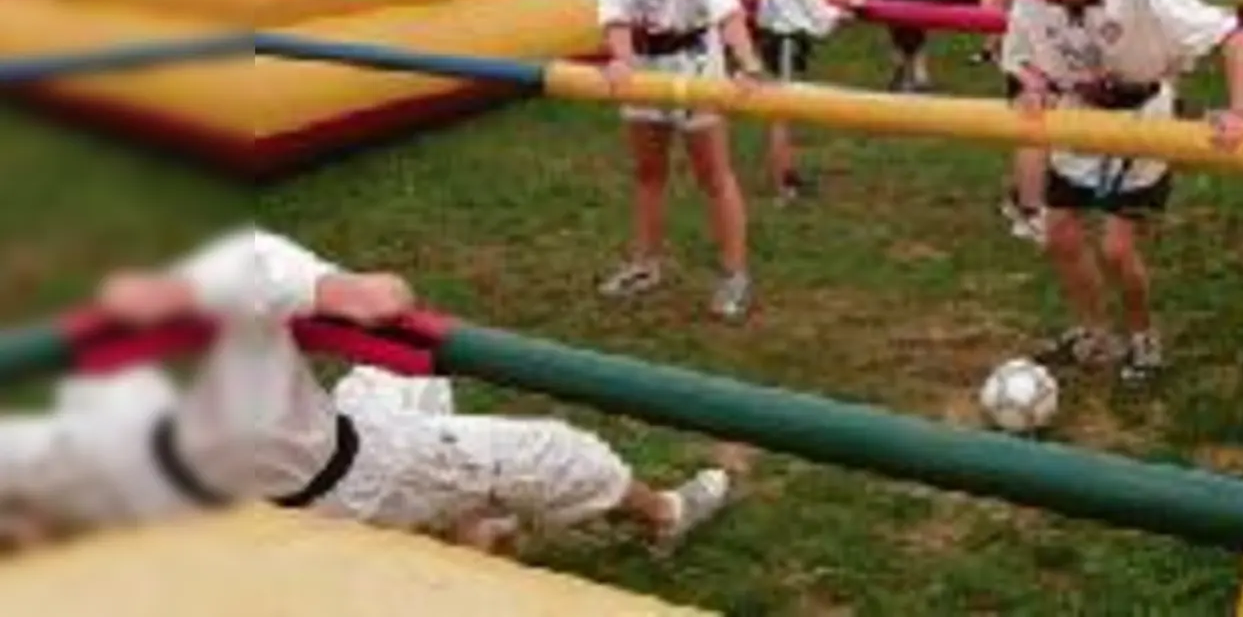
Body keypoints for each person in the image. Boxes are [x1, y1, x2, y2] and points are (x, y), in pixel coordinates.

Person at [0, 228, 735, 554]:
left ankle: (471, 526)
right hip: (348, 483)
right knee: (558, 452)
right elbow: (380, 297)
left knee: (398, 381)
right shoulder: (231, 261)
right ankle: (664, 513)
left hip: (320, 453)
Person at [1002, 0, 1243, 383]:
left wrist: (1241, 112)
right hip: (1079, 121)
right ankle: (1093, 334)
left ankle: (1143, 338)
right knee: (1060, 236)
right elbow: (1021, 58)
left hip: (1141, 122)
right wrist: (1035, 85)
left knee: (1118, 250)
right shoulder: (1031, 2)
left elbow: (1233, 35)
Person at [595, 0, 764, 322]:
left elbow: (728, 14)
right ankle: (646, 264)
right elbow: (615, 16)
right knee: (647, 171)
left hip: (695, 66)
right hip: (645, 70)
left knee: (713, 174)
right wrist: (622, 61)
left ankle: (735, 274)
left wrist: (748, 64)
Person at [756, 0, 850, 202]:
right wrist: (841, 16)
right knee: (782, 116)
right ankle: (783, 185)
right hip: (786, 47)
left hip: (774, 45)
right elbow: (820, 21)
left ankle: (788, 172)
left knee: (783, 114)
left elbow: (763, 16)